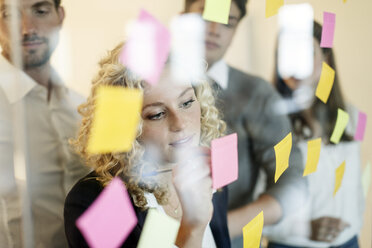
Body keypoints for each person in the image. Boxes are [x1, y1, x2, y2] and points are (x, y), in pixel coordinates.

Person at [64, 42, 230, 247]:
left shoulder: (208, 172)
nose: (180, 123)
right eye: (157, 114)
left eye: (186, 102)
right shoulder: (94, 201)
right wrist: (192, 230)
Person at [184, 0, 307, 245]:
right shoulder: (146, 83)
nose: (214, 29)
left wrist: (220, 226)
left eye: (227, 22)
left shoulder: (256, 94)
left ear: (236, 30)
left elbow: (292, 182)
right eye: (206, 15)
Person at [263, 21, 364, 248]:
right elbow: (253, 207)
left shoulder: (353, 116)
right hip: (290, 244)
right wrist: (303, 228)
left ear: (325, 58)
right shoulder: (268, 123)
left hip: (349, 241)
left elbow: (355, 186)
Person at [0, 0, 89, 246]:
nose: (28, 28)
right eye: (10, 14)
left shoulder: (82, 108)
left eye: (40, 11)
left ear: (60, 16)